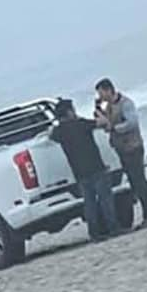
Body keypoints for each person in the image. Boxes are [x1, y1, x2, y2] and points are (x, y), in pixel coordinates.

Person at [51, 98, 120, 242]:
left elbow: (51, 135)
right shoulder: (81, 124)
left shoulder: (59, 132)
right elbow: (102, 123)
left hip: (79, 172)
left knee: (89, 204)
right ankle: (113, 228)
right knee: (105, 200)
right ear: (69, 112)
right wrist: (99, 112)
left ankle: (94, 233)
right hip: (96, 166)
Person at [94, 78, 147, 228]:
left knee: (140, 181)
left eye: (102, 93)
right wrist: (99, 111)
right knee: (134, 183)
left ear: (109, 90)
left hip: (133, 147)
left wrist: (115, 128)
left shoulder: (125, 103)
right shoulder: (109, 106)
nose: (101, 97)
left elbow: (132, 122)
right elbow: (105, 123)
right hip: (121, 149)